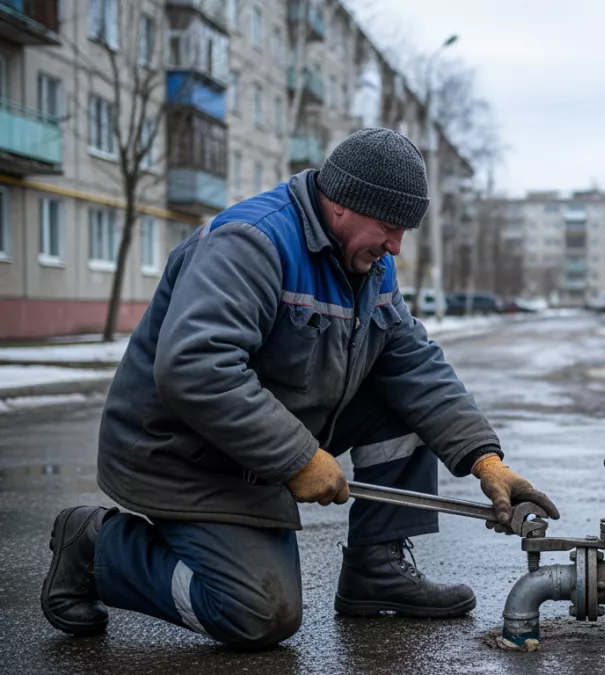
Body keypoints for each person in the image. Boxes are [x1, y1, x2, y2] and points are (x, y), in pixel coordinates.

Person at [41, 128, 559, 650]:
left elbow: (414, 364)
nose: (396, 247)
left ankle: (375, 569)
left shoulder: (371, 266)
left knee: (405, 403)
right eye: (388, 227)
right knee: (257, 614)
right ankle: (96, 547)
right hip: (182, 453)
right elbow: (196, 367)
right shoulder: (251, 242)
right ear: (341, 206)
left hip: (253, 447)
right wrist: (296, 459)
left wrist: (485, 460)